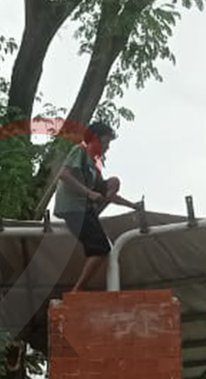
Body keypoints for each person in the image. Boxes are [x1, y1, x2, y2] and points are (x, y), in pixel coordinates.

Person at [53, 121, 142, 292]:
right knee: (101, 248)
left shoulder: (93, 164)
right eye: (105, 142)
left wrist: (132, 205)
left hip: (86, 208)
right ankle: (77, 291)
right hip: (73, 208)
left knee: (113, 181)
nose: (107, 148)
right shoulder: (79, 150)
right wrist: (88, 193)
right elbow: (63, 174)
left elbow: (108, 193)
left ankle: (95, 211)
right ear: (94, 139)